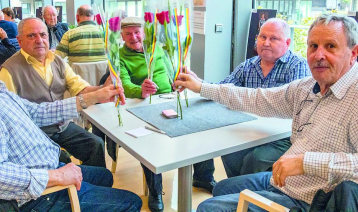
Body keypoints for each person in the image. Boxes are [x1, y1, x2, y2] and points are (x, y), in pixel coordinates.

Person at [0, 28, 142, 211]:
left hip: (45, 159)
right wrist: (56, 176)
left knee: (104, 175)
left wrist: (95, 96)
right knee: (132, 202)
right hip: (38, 194)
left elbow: (37, 112)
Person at [174, 14, 358, 211]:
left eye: (330, 46)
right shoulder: (306, 87)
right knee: (222, 188)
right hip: (284, 181)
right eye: (313, 46)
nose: (319, 55)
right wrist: (201, 86)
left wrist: (306, 163)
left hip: (309, 199)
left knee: (209, 207)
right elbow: (255, 98)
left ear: (353, 53)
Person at [119, 16, 216, 211]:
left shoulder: (159, 48)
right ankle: (156, 191)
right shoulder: (119, 56)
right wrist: (140, 90)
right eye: (128, 34)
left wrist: (178, 80)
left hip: (171, 100)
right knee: (149, 144)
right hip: (141, 105)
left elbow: (172, 71)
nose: (134, 37)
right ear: (121, 36)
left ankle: (203, 178)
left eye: (137, 32)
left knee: (199, 128)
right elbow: (123, 84)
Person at [196, 18, 309, 178]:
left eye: (273, 38)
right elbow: (222, 89)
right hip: (252, 130)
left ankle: (245, 196)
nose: (266, 43)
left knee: (255, 159)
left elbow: (297, 109)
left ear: (288, 42)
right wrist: (199, 84)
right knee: (229, 150)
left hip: (283, 136)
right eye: (262, 37)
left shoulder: (298, 66)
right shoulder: (248, 66)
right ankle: (236, 193)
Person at [0, 17, 109, 168]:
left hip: (61, 126)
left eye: (43, 35)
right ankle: (73, 189)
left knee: (95, 144)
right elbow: (8, 117)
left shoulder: (57, 61)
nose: (39, 40)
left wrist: (103, 89)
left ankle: (94, 187)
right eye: (31, 36)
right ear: (19, 41)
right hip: (34, 133)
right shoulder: (9, 70)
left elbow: (79, 88)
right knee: (62, 160)